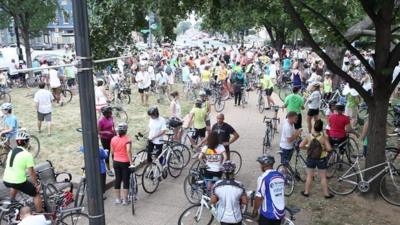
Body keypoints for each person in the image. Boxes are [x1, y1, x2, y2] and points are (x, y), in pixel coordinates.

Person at [3, 132, 43, 212]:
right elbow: (31, 172)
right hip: (18, 181)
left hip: (6, 180)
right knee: (36, 193)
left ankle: (12, 202)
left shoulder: (11, 151)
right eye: (28, 141)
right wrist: (36, 185)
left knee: (14, 185)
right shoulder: (27, 155)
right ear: (26, 142)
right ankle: (40, 214)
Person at [299, 120, 334, 199]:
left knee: (309, 176)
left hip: (310, 158)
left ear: (314, 126)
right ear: (321, 128)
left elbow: (300, 146)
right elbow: (329, 149)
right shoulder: (324, 137)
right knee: (323, 177)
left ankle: (306, 192)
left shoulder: (308, 136)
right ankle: (326, 194)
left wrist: (307, 148)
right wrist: (324, 149)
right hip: (321, 159)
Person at [210, 161, 248, 225]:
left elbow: (213, 201)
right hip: (236, 218)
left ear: (223, 172)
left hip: (223, 218)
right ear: (233, 172)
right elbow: (245, 201)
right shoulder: (240, 185)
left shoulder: (217, 185)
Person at [253, 155, 285, 225]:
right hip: (280, 213)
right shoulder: (281, 175)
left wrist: (255, 209)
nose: (260, 166)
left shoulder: (263, 178)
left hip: (267, 214)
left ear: (264, 165)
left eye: (261, 164)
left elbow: (259, 198)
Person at [110, 122, 133, 205]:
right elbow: (128, 151)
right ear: (126, 130)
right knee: (125, 180)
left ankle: (118, 199)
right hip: (125, 162)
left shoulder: (113, 139)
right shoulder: (127, 139)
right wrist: (131, 163)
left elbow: (112, 151)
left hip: (116, 162)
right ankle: (125, 200)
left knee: (117, 180)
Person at [98, 106, 116, 176]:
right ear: (106, 114)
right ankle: (108, 169)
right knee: (107, 154)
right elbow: (98, 131)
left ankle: (115, 167)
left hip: (112, 137)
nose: (111, 114)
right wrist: (106, 132)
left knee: (113, 153)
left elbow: (113, 125)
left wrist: (114, 131)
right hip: (105, 139)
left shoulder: (111, 117)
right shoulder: (101, 121)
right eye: (110, 113)